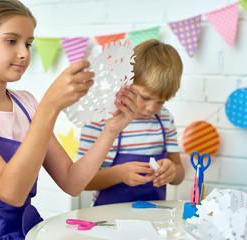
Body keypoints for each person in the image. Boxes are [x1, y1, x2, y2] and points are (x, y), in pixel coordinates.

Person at [0, 0, 138, 239]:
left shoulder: (27, 104)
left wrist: (110, 131)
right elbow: (10, 192)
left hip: (20, 232)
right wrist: (49, 107)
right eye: (11, 41)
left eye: (28, 44)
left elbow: (71, 182)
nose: (23, 53)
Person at [77, 39, 185, 206]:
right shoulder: (100, 119)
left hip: (153, 218)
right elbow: (81, 181)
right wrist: (118, 174)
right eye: (145, 97)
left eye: (161, 101)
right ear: (126, 80)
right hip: (107, 218)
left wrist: (172, 171)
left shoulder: (165, 119)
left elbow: (179, 174)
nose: (151, 108)